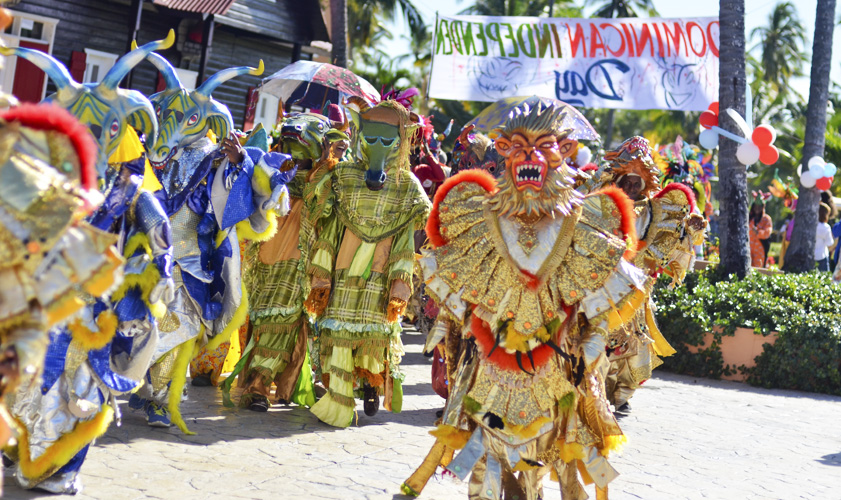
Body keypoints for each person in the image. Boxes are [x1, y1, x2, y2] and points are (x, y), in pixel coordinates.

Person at [402, 102, 650, 500]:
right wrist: (456, 328)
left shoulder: (586, 223)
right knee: (486, 460)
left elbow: (597, 309)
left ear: (565, 151)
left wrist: (590, 351)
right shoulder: (479, 218)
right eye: (518, 146)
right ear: (501, 149)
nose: (530, 157)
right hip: (492, 368)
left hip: (554, 371)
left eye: (544, 146)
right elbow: (460, 299)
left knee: (542, 457)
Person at [308, 98, 431, 427]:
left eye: (386, 141)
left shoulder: (407, 184)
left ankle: (371, 384)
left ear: (400, 143)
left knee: (374, 334)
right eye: (371, 139)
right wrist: (324, 166)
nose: (378, 147)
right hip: (343, 267)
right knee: (338, 333)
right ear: (360, 137)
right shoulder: (344, 175)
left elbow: (427, 218)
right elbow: (318, 208)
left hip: (382, 270)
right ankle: (339, 398)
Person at [599, 137, 706, 417]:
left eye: (637, 183)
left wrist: (692, 230)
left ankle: (622, 396)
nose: (632, 187)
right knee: (599, 341)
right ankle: (597, 395)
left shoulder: (655, 209)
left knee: (634, 344)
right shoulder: (601, 204)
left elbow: (673, 240)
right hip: (603, 283)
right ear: (618, 180)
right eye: (627, 182)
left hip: (636, 286)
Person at [749, 197, 773, 268]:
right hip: (749, 248)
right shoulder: (750, 218)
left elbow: (768, 232)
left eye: (759, 207)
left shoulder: (766, 219)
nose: (757, 208)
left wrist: (758, 232)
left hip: (760, 249)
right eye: (756, 206)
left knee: (759, 267)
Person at [816, 203, 833, 272]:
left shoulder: (810, 225)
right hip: (822, 257)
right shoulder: (826, 227)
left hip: (809, 257)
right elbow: (830, 244)